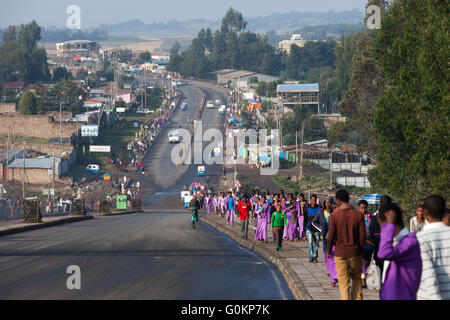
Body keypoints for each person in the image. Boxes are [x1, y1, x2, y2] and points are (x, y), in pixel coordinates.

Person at [376, 203, 422, 300]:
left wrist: (389, 226)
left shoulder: (410, 241)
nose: (382, 230)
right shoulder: (396, 242)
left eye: (381, 225)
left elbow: (383, 253)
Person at [327, 189, 365, 300]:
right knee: (357, 280)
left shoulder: (334, 215)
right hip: (355, 253)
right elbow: (362, 236)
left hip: (340, 253)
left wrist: (328, 250)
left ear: (338, 200)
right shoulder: (358, 215)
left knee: (343, 284)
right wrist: (361, 250)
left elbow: (331, 236)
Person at [416, 195, 450, 300]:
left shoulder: (420, 238)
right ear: (444, 211)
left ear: (425, 213)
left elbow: (429, 274)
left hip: (428, 296)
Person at [363, 195, 393, 286]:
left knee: (382, 281)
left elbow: (370, 239)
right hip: (392, 255)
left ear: (380, 204)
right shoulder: (395, 219)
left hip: (380, 255)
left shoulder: (374, 219)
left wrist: (367, 256)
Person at [313, 196, 338, 287]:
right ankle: (332, 275)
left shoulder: (335, 212)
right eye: (326, 202)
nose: (327, 204)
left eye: (329, 202)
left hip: (335, 237)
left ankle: (334, 277)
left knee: (333, 257)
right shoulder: (320, 212)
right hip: (325, 237)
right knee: (327, 257)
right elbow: (314, 222)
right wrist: (321, 229)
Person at [359, 199, 372, 288]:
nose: (363, 210)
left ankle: (364, 275)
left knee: (367, 262)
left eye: (365, 208)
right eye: (362, 208)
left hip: (369, 242)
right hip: (360, 241)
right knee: (362, 260)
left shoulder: (371, 216)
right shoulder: (356, 216)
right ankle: (363, 280)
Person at [305, 194, 321, 262]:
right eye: (311, 200)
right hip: (308, 228)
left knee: (316, 243)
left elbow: (321, 219)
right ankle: (311, 256)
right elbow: (305, 219)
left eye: (314, 200)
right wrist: (303, 229)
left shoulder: (319, 209)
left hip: (317, 229)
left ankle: (315, 257)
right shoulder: (307, 209)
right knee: (310, 242)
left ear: (316, 201)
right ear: (310, 200)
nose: (312, 201)